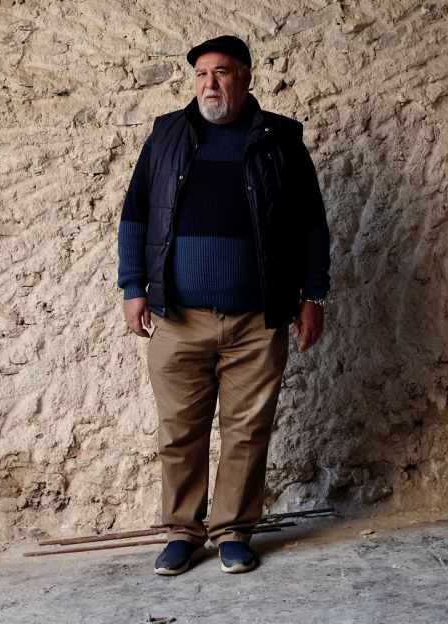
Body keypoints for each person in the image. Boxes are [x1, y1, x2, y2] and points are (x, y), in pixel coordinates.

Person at [117, 35, 331, 575]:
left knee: (247, 430)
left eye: (223, 72)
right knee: (179, 431)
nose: (210, 83)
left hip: (258, 319)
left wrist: (313, 294)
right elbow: (136, 215)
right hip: (178, 317)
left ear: (246, 77)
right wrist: (132, 286)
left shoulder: (281, 139)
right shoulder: (167, 135)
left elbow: (311, 222)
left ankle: (234, 529)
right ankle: (184, 532)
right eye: (202, 74)